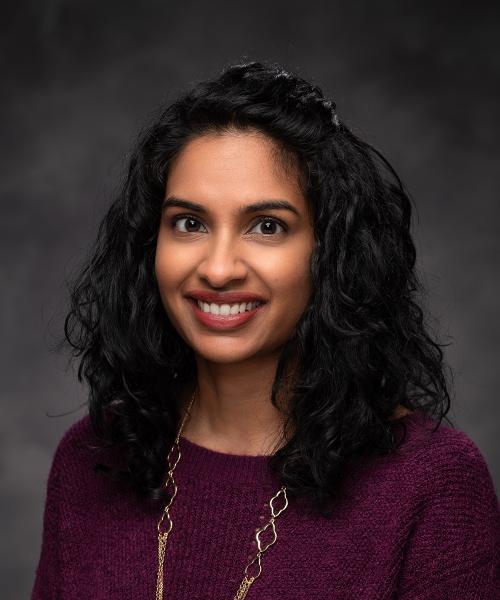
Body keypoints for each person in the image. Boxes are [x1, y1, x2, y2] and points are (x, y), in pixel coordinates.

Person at [31, 61, 500, 599]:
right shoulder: (91, 457)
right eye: (190, 223)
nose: (219, 268)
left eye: (267, 226)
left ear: (331, 253)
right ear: (149, 244)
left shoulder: (432, 482)